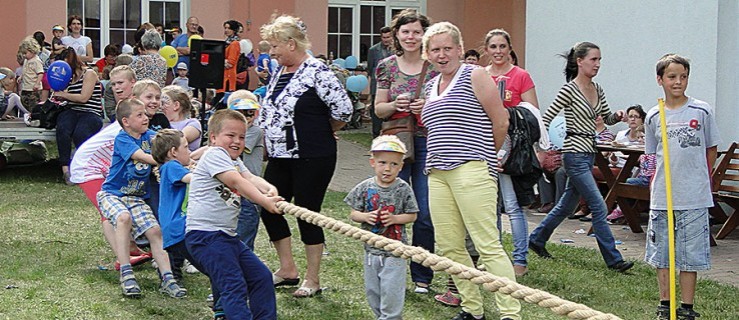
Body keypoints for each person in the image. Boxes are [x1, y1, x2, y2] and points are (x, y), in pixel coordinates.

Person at [420, 21, 521, 320]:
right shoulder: (431, 85)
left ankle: (510, 313)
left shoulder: (475, 74)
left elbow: (500, 121)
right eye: (435, 49)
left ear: (460, 50)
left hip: (471, 169)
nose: (442, 54)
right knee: (450, 247)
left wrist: (488, 157)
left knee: (487, 244)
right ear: (427, 54)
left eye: (447, 48)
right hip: (437, 173)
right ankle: (472, 309)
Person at [259, 14, 353, 298]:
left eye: (274, 46)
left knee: (307, 214)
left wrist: (325, 129)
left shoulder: (317, 70)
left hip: (312, 155)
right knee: (269, 206)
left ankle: (313, 278)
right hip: (279, 155)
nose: (271, 52)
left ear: (291, 43)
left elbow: (343, 109)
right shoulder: (279, 71)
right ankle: (287, 269)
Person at [528, 42, 634, 273]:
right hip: (573, 153)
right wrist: (541, 147)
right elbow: (545, 119)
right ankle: (614, 260)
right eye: (593, 59)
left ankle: (536, 240)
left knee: (565, 206)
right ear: (580, 61)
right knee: (598, 205)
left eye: (599, 60)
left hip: (589, 153)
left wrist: (617, 116)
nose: (597, 64)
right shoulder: (569, 90)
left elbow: (605, 117)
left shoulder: (598, 88)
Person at [186, 109, 282, 319]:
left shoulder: (234, 161)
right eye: (230, 136)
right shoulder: (214, 154)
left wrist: (268, 187)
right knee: (233, 285)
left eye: (241, 137)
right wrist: (264, 201)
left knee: (261, 277)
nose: (237, 141)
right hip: (206, 236)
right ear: (213, 138)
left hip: (227, 237)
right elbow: (236, 181)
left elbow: (249, 177)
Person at [645, 54, 720, 320]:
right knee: (662, 253)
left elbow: (711, 149)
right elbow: (651, 156)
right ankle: (665, 304)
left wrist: (702, 178)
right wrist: (653, 184)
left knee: (690, 254)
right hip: (662, 196)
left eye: (683, 76)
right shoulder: (654, 115)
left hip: (694, 195)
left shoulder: (701, 111)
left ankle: (687, 307)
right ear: (660, 80)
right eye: (672, 77)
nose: (678, 82)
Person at [373, 9, 437, 294]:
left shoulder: (436, 66)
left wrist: (427, 106)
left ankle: (421, 274)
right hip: (396, 142)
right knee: (392, 206)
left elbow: (446, 107)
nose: (411, 37)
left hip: (428, 141)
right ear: (396, 34)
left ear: (425, 35)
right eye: (406, 31)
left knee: (424, 210)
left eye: (416, 32)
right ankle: (391, 268)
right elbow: (377, 108)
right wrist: (396, 104)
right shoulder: (386, 66)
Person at [69, 66, 156, 274]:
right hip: (87, 167)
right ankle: (122, 258)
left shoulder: (136, 120)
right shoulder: (127, 124)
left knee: (118, 209)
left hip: (102, 166)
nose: (153, 103)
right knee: (109, 212)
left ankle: (131, 249)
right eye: (148, 98)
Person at [97, 98, 186, 298]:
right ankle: (127, 274)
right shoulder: (123, 139)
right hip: (112, 194)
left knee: (155, 231)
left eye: (145, 114)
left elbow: (169, 142)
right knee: (123, 218)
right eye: (140, 115)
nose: (146, 118)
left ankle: (168, 278)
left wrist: (185, 151)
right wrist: (170, 159)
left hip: (135, 197)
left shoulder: (150, 136)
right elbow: (144, 157)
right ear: (126, 121)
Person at [484, 28, 540, 277]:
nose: (498, 52)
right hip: (483, 144)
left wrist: (509, 112)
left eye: (502, 46)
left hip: (511, 148)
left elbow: (533, 113)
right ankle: (494, 257)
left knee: (512, 205)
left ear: (509, 49)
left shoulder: (521, 76)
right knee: (489, 207)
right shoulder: (480, 76)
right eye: (493, 47)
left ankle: (520, 259)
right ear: (487, 50)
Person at [344, 135, 418, 320]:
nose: (387, 168)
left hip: (395, 252)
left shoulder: (403, 188)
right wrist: (366, 217)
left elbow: (412, 215)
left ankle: (390, 317)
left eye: (394, 164)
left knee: (391, 293)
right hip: (371, 251)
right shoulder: (364, 187)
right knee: (373, 293)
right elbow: (354, 214)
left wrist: (394, 219)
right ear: (372, 162)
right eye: (383, 162)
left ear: (401, 166)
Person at [54, 48, 103, 185]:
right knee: (63, 129)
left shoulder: (89, 73)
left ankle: (81, 166)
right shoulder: (68, 78)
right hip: (72, 110)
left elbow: (84, 97)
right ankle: (65, 169)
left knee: (81, 133)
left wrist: (63, 94)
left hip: (90, 111)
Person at [227, 90, 264, 251]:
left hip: (250, 191)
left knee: (244, 234)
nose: (246, 118)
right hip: (234, 190)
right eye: (239, 113)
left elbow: (234, 150)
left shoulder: (254, 131)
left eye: (249, 113)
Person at [366, 26, 393, 138]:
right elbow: (370, 68)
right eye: (384, 37)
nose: (386, 39)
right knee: (376, 113)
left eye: (388, 37)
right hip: (377, 86)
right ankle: (376, 136)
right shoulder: (374, 50)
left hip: (392, 86)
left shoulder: (397, 50)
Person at [161, 85, 201, 150]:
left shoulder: (193, 123)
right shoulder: (157, 122)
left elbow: (178, 140)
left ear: (176, 105)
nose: (160, 107)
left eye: (163, 103)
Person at [215, 20, 243, 105]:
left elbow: (230, 63)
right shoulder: (227, 42)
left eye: (228, 28)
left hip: (228, 78)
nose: (226, 30)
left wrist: (217, 61)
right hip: (223, 77)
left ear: (233, 30)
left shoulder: (234, 44)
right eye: (225, 28)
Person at [18, 36, 44, 111]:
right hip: (26, 86)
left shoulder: (36, 61)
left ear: (32, 51)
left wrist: (37, 83)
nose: (24, 55)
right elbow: (25, 70)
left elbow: (40, 73)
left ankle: (34, 116)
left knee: (33, 104)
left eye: (25, 53)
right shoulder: (26, 60)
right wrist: (21, 76)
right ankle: (30, 113)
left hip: (34, 88)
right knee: (23, 100)